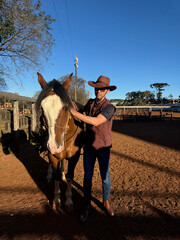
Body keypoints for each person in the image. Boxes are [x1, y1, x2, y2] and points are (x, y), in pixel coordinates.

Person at [70, 75, 117, 222]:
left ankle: (106, 201)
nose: (98, 91)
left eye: (102, 89)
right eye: (97, 88)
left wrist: (74, 113)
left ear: (107, 91)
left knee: (105, 177)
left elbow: (96, 121)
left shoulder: (110, 108)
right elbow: (82, 107)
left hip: (103, 147)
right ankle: (86, 206)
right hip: (89, 147)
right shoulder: (90, 102)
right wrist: (70, 102)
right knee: (87, 177)